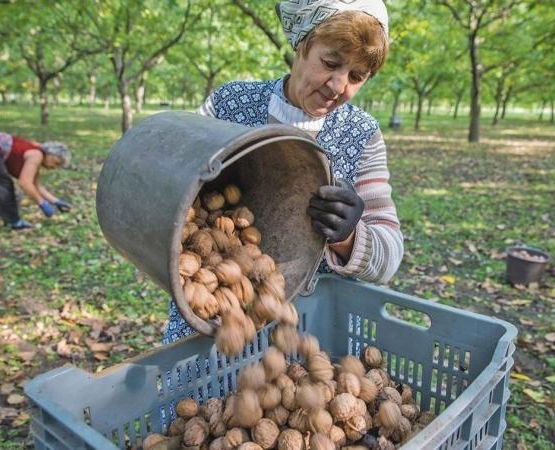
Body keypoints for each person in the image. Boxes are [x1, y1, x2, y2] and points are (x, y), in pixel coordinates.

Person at [164, 0, 403, 343]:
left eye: (356, 77)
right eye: (330, 63)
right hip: (212, 323)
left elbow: (389, 258)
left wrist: (350, 236)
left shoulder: (361, 135)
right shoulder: (229, 105)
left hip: (303, 333)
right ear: (301, 44)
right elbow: (169, 183)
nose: (338, 86)